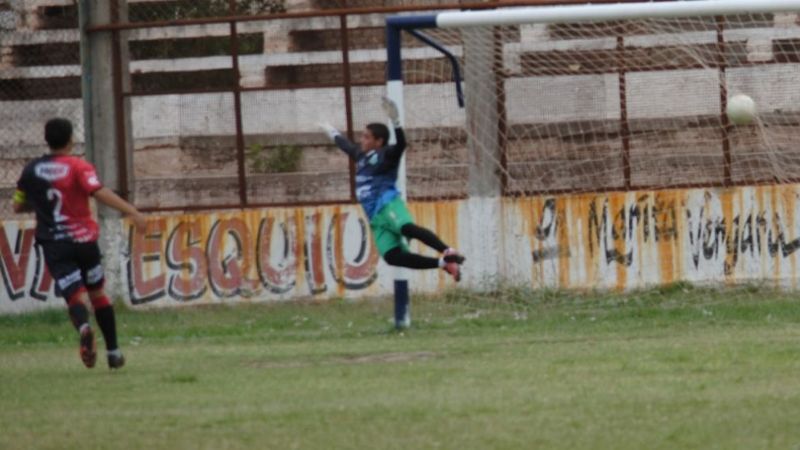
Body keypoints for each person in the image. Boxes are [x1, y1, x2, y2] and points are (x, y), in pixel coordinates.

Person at [13, 118, 146, 370]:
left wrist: (41, 204)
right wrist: (132, 211)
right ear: (71, 140)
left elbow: (18, 204)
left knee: (75, 296)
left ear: (47, 140)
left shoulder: (30, 171)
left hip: (55, 244)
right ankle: (114, 352)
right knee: (97, 294)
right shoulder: (79, 166)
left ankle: (84, 328)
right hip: (84, 242)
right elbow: (99, 192)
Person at [319, 98, 465, 280]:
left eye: (366, 137)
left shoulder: (386, 154)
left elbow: (401, 145)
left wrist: (396, 123)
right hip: (375, 216)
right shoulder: (360, 155)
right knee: (392, 257)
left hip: (387, 202)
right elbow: (345, 145)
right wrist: (330, 130)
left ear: (379, 141)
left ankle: (446, 249)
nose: (362, 140)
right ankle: (444, 264)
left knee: (406, 228)